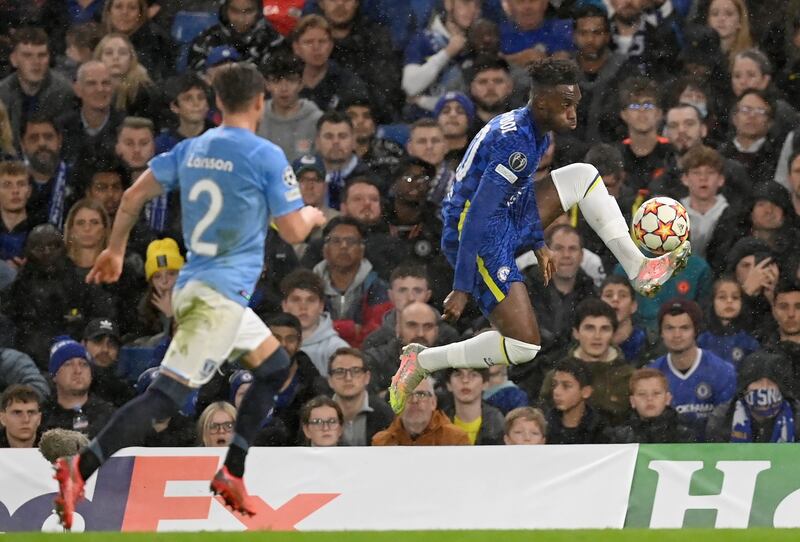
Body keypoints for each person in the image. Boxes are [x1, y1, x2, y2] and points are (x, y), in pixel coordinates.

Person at [53, 62, 325, 528]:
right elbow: (293, 227)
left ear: (217, 104)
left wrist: (116, 250)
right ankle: (80, 468)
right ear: (259, 102)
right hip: (215, 298)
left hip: (211, 290)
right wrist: (315, 215)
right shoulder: (264, 154)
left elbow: (134, 195)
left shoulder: (191, 149)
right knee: (164, 399)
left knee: (277, 368)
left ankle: (231, 473)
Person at [389, 58, 690, 415]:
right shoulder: (516, 143)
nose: (574, 114)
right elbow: (477, 218)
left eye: (576, 103)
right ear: (543, 102)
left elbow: (513, 196)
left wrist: (536, 241)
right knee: (524, 346)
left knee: (584, 176)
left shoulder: (530, 127)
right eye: (567, 104)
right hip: (478, 237)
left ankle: (638, 269)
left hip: (499, 218)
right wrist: (463, 287)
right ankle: (422, 362)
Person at [647, 299, 737, 441]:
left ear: (696, 331)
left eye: (684, 328)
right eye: (669, 328)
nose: (677, 335)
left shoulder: (723, 372)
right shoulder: (652, 374)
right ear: (661, 333)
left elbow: (727, 427)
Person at [0, 27, 74, 147]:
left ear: (49, 58)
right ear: (14, 59)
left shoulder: (65, 92)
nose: (36, 62)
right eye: (27, 55)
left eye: (42, 55)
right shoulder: (2, 94)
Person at [706, 350, 800, 443]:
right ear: (745, 387)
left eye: (771, 382)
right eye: (757, 381)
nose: (764, 387)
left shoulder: (797, 416)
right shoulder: (723, 418)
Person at [40, 337, 116, 439]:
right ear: (54, 375)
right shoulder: (41, 417)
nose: (78, 370)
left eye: (83, 364)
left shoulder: (110, 416)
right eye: (68, 364)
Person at [280, 268, 349, 376]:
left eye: (311, 300)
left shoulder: (336, 348)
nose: (303, 307)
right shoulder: (270, 345)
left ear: (321, 306)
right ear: (284, 305)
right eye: (296, 299)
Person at [257, 52, 323, 163]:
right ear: (267, 84)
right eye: (276, 81)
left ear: (301, 83)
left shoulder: (317, 120)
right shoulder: (256, 118)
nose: (284, 88)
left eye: (291, 80)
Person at [372, 376, 470, 446]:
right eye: (406, 395)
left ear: (433, 402)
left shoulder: (456, 440)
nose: (414, 400)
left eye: (421, 394)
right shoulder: (382, 442)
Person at [606, 368, 695, 443]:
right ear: (632, 401)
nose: (649, 399)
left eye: (656, 393)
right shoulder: (620, 437)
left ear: (667, 399)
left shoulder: (684, 432)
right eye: (642, 394)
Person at [327, 346, 393, 446]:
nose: (348, 378)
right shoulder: (318, 414)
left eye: (355, 371)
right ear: (330, 380)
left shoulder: (385, 414)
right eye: (340, 372)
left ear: (367, 377)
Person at [697, 276, 760, 368]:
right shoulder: (703, 341)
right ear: (712, 302)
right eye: (722, 297)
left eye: (735, 297)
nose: (729, 301)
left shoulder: (749, 342)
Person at [545, 358, 608, 445]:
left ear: (586, 392)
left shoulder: (601, 431)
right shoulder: (544, 426)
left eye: (566, 386)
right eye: (554, 384)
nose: (556, 391)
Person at [442, 367, 505, 445]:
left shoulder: (499, 426)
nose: (465, 380)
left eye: (473, 375)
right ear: (448, 384)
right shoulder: (437, 426)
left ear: (485, 384)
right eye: (458, 374)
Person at [600, 275, 652, 364]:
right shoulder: (586, 342)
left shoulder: (650, 343)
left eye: (622, 295)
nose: (615, 299)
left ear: (633, 306)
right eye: (608, 295)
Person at [0, 160, 33, 268]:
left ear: (29, 191)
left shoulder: (40, 231)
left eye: (21, 184)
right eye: (7, 185)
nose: (15, 191)